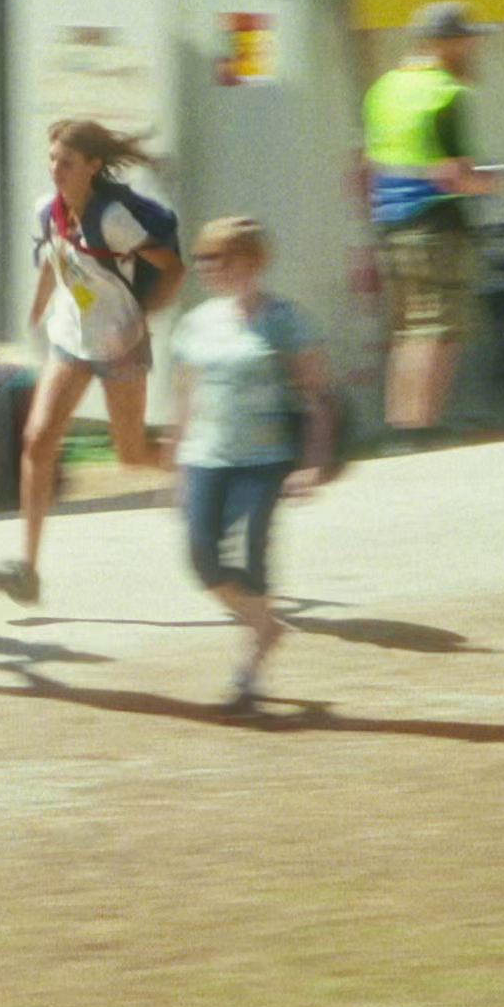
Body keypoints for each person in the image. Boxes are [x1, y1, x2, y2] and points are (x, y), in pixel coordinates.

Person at [0, 117, 183, 608]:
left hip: (122, 342)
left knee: (131, 453)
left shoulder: (113, 218)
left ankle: (206, 469)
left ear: (93, 166)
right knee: (37, 440)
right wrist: (34, 313)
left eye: (66, 162)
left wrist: (141, 321)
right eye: (51, 159)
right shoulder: (47, 211)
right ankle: (27, 568)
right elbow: (55, 260)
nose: (55, 169)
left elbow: (172, 269)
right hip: (72, 340)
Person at [163, 217, 338, 714]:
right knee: (202, 556)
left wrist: (312, 463)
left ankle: (250, 669)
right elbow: (184, 392)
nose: (208, 269)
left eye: (219, 258)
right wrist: (175, 459)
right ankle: (264, 625)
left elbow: (319, 397)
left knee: (250, 556)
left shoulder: (289, 321)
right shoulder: (196, 322)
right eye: (203, 260)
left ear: (251, 261)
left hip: (264, 459)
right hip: (205, 456)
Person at [361, 1, 503, 447]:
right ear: (445, 43)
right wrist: (495, 182)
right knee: (438, 329)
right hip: (436, 224)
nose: (473, 47)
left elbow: (366, 165)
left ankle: (402, 428)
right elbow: (454, 175)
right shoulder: (448, 92)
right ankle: (424, 430)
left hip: (391, 224)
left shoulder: (383, 88)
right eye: (466, 39)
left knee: (408, 330)